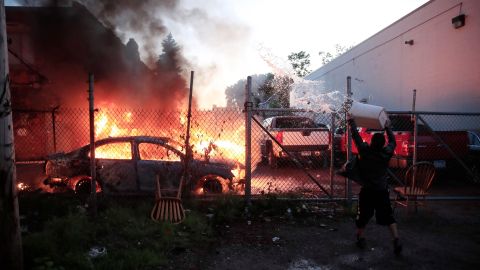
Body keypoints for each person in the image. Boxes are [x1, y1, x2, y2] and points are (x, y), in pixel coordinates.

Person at [347, 116, 402, 255]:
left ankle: (360, 237)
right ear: (383, 144)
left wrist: (352, 122)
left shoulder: (365, 151)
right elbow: (393, 142)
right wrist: (387, 128)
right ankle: (396, 239)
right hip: (382, 191)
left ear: (371, 142)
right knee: (388, 216)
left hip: (367, 191)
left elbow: (356, 137)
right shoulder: (386, 153)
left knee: (364, 215)